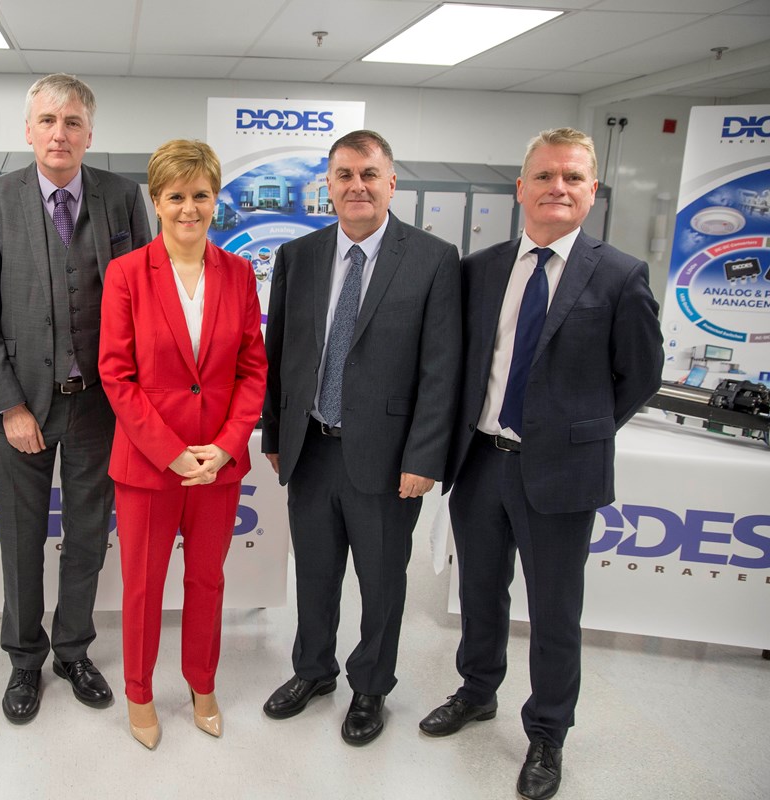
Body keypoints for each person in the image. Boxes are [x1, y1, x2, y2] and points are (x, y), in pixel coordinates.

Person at [417, 128, 662, 800]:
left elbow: (639, 375)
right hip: (482, 464)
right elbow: (466, 364)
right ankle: (477, 691)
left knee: (554, 608)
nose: (559, 188)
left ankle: (548, 733)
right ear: (520, 188)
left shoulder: (619, 276)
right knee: (480, 592)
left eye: (574, 178)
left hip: (560, 471)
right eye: (546, 176)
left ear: (591, 193)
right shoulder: (481, 269)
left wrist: (579, 431)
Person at [261, 129, 461, 746]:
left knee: (381, 583)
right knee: (315, 574)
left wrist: (426, 456)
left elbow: (441, 369)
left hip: (388, 458)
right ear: (328, 184)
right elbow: (282, 355)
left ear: (392, 183)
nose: (357, 186)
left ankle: (371, 686)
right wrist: (275, 431)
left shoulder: (432, 258)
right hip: (312, 447)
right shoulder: (299, 256)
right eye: (344, 174)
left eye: (369, 174)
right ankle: (313, 670)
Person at [0, 73, 151, 724]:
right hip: (22, 406)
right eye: (47, 120)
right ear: (28, 131)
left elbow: (145, 303)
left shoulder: (124, 198)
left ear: (89, 134)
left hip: (99, 405)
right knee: (20, 539)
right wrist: (10, 406)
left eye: (72, 122)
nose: (59, 133)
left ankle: (73, 650)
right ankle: (23, 660)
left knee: (88, 536)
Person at [98, 139, 268, 749]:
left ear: (216, 200)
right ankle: (140, 693)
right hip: (150, 462)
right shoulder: (126, 274)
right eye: (176, 196)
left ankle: (202, 682)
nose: (189, 207)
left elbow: (253, 370)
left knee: (207, 580)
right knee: (142, 585)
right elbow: (116, 374)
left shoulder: (240, 273)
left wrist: (224, 447)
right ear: (157, 201)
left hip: (217, 465)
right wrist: (170, 451)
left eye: (200, 195)